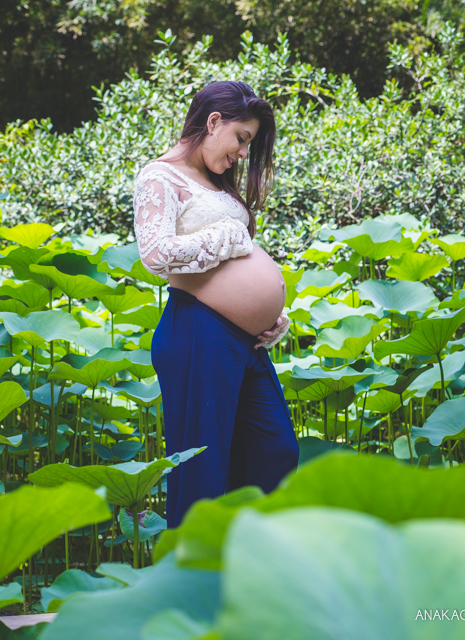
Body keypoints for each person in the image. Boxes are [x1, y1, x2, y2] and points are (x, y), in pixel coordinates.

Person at [133, 80, 299, 528]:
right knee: (201, 471)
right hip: (196, 332)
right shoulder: (160, 176)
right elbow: (154, 253)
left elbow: (238, 267)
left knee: (276, 449)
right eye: (242, 138)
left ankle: (242, 566)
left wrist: (270, 312)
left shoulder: (217, 183)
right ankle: (192, 587)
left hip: (244, 342)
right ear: (213, 122)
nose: (244, 153)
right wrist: (224, 237)